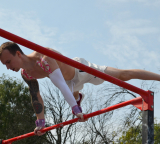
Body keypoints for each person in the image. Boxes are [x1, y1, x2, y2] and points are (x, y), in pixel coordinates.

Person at [1, 42, 160, 136]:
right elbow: (35, 97)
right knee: (70, 90)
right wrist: (41, 122)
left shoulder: (43, 57)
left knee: (122, 75)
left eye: (8, 62)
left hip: (81, 71)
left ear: (18, 54)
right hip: (68, 85)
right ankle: (76, 97)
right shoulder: (26, 74)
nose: (8, 67)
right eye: (4, 65)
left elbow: (60, 84)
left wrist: (76, 110)